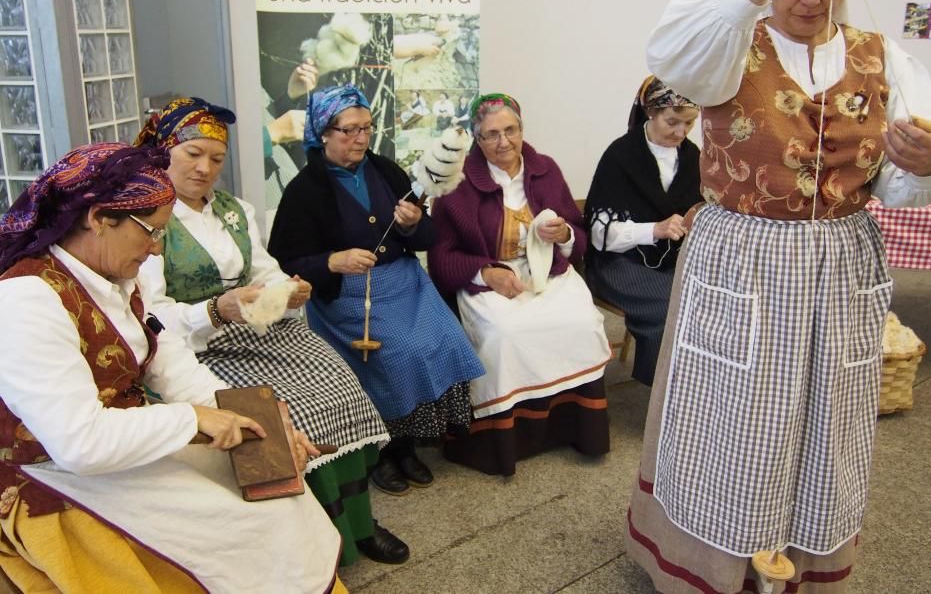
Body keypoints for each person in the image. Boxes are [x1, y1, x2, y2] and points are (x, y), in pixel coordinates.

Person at [624, 0, 931, 592]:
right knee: (732, 419)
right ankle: (711, 567)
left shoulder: (883, 57)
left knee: (829, 421)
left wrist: (919, 166)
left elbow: (895, 187)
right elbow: (671, 57)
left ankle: (798, 559)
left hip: (841, 257)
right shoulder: (729, 39)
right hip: (745, 257)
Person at [0, 143, 344, 593]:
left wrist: (263, 425)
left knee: (276, 499)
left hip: (122, 445)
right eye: (150, 232)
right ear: (99, 218)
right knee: (245, 525)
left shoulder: (117, 276)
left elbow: (168, 361)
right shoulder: (26, 300)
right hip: (54, 473)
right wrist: (195, 419)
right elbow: (79, 444)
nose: (158, 249)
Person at [134, 97, 410, 566]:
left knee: (340, 385)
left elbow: (265, 270)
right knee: (290, 410)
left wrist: (290, 287)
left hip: (257, 331)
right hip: (196, 347)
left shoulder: (235, 210)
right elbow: (151, 317)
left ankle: (358, 520)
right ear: (163, 155)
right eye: (192, 154)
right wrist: (215, 310)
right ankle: (311, 528)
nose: (205, 168)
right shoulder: (148, 222)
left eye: (216, 158)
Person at [267, 84, 485, 496]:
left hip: (404, 283)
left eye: (366, 128)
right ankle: (380, 451)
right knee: (399, 351)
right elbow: (285, 262)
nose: (361, 138)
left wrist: (411, 224)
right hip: (348, 297)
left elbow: (425, 238)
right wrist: (332, 262)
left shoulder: (386, 171)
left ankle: (407, 444)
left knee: (446, 337)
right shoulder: (304, 192)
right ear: (322, 132)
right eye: (349, 130)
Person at [428, 93, 612, 476]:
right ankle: (503, 442)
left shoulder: (545, 169)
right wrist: (486, 273)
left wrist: (562, 234)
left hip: (548, 272)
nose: (504, 142)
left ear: (522, 129)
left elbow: (578, 235)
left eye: (510, 130)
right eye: (491, 134)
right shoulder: (457, 183)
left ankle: (572, 429)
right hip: (489, 278)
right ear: (477, 140)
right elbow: (442, 259)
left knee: (584, 323)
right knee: (504, 333)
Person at [583, 76, 701, 386]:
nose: (681, 132)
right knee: (671, 308)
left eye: (689, 124)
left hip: (675, 260)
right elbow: (600, 235)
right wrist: (655, 230)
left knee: (709, 302)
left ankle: (697, 393)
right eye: (672, 122)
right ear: (651, 112)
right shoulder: (620, 156)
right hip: (619, 263)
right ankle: (665, 398)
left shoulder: (692, 158)